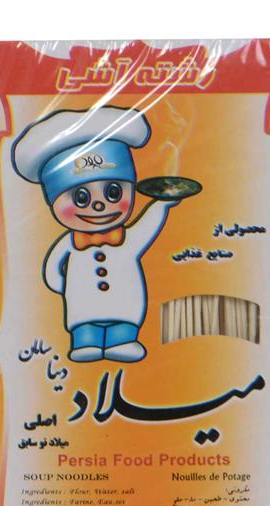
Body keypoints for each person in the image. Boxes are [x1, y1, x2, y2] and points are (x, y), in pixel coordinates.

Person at [12, 106, 180, 362]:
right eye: (81, 197)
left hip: (124, 306)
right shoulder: (70, 243)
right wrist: (65, 286)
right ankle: (85, 342)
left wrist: (161, 204)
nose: (99, 205)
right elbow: (52, 270)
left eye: (113, 193)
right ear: (53, 202)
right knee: (85, 328)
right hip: (83, 307)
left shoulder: (128, 239)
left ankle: (123, 340)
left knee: (124, 323)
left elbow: (147, 226)